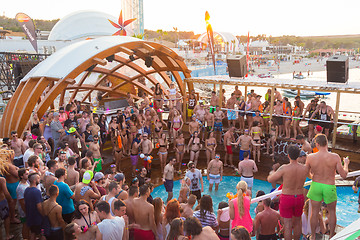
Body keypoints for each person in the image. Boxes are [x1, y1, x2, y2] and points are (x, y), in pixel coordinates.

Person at [305, 134, 349, 239]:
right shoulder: (335, 157)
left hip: (316, 184)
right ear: (327, 143)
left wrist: (313, 177)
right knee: (332, 212)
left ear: (317, 144)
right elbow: (343, 175)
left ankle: (313, 236)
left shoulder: (310, 157)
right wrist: (346, 164)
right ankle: (330, 236)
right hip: (329, 185)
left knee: (314, 212)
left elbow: (307, 173)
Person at [267, 144, 309, 240]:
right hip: (299, 197)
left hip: (287, 197)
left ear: (288, 155)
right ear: (298, 155)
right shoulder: (304, 169)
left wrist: (273, 172)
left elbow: (270, 179)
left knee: (288, 224)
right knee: (298, 222)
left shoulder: (284, 168)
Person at [24, 172, 44, 240]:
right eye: (38, 178)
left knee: (33, 233)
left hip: (30, 216)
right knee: (42, 234)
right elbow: (39, 206)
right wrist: (43, 214)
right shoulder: (36, 191)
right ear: (34, 181)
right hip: (37, 218)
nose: (40, 179)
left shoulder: (26, 190)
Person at [17, 168, 30, 239]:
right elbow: (21, 202)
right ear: (21, 176)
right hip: (24, 210)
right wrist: (26, 211)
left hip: (28, 208)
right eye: (26, 174)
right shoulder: (20, 187)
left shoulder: (26, 183)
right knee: (25, 225)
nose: (28, 175)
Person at [0, 175, 13, 240]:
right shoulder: (1, 179)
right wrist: (10, 200)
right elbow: (6, 192)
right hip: (2, 201)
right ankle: (7, 235)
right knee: (6, 218)